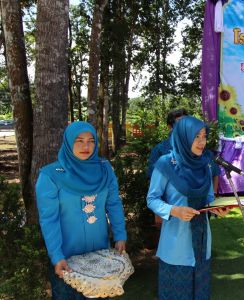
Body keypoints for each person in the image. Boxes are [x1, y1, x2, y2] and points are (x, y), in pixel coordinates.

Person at [36, 121, 127, 300]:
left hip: (99, 254)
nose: (86, 146)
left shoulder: (105, 169)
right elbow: (49, 219)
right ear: (69, 142)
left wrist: (120, 234)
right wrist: (56, 256)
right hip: (66, 258)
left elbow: (114, 204)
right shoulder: (50, 175)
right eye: (79, 140)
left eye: (91, 141)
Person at [147, 116, 229, 299]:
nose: (202, 142)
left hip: (202, 242)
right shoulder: (165, 164)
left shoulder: (205, 165)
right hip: (176, 245)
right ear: (183, 137)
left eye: (204, 136)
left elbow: (208, 198)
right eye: (196, 137)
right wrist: (174, 210)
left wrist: (216, 208)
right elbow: (152, 199)